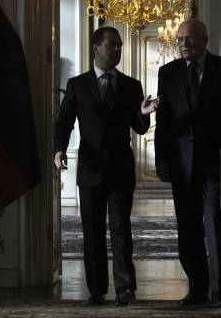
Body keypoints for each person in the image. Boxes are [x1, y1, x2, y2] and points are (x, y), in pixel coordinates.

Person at [54, 26, 159, 307]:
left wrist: (144, 113)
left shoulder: (131, 85)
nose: (117, 50)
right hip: (90, 169)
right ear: (95, 48)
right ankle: (97, 289)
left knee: (121, 230)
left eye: (120, 45)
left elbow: (139, 127)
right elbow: (64, 121)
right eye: (112, 45)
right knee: (92, 232)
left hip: (121, 169)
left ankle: (125, 288)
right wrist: (59, 150)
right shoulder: (78, 85)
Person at [155, 19, 221, 308]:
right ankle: (196, 288)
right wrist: (161, 159)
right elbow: (164, 122)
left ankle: (218, 291)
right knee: (187, 226)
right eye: (180, 39)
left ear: (205, 41)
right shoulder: (167, 72)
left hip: (217, 162)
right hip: (181, 163)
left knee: (215, 222)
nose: (184, 44)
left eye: (191, 39)